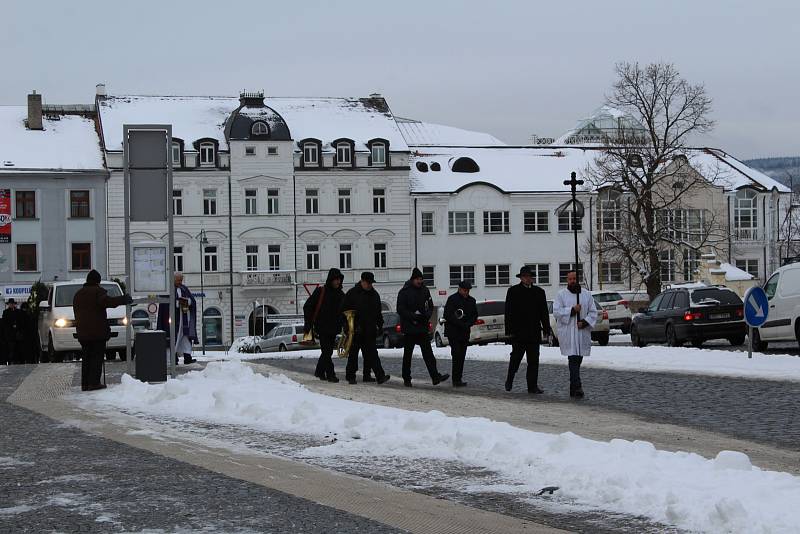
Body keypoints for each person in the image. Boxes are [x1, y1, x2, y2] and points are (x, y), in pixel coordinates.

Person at [73, 270, 132, 391]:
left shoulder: (78, 294)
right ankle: (94, 383)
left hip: (83, 332)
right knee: (96, 357)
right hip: (96, 333)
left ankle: (85, 384)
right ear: (98, 281)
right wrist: (123, 299)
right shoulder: (97, 292)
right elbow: (108, 302)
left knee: (87, 358)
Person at [397, 268, 448, 388]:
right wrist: (413, 316)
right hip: (409, 328)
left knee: (428, 354)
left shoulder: (425, 290)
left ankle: (435, 377)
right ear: (413, 279)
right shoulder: (404, 291)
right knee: (407, 355)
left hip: (421, 327)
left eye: (421, 279)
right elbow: (400, 309)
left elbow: (430, 306)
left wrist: (426, 316)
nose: (420, 281)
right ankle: (406, 378)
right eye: (418, 279)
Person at [504, 266, 551, 393]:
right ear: (521, 278)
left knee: (533, 361)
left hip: (534, 332)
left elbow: (544, 313)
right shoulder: (513, 291)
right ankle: (510, 379)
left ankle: (532, 386)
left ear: (532, 278)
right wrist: (509, 331)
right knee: (515, 359)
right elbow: (508, 312)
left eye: (529, 276)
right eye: (524, 276)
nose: (527, 279)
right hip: (518, 333)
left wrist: (547, 328)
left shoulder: (539, 292)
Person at [552, 270, 597, 398]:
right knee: (573, 359)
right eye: (570, 279)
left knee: (578, 359)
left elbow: (593, 312)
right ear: (567, 280)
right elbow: (557, 312)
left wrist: (584, 322)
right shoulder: (561, 295)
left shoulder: (586, 295)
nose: (572, 281)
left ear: (578, 280)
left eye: (574, 279)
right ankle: (578, 386)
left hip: (581, 333)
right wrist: (572, 310)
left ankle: (573, 387)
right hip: (568, 333)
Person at [342, 272, 390, 385]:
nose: (370, 285)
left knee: (372, 354)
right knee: (353, 354)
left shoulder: (375, 295)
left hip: (369, 330)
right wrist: (348, 327)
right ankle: (350, 376)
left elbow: (378, 313)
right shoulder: (352, 294)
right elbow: (344, 312)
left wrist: (380, 325)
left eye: (371, 283)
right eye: (368, 283)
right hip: (355, 330)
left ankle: (378, 376)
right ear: (362, 281)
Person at [303, 268, 345, 383]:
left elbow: (344, 311)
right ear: (330, 280)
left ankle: (319, 371)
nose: (338, 282)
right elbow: (308, 306)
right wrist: (308, 323)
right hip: (322, 327)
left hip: (334, 328)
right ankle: (331, 374)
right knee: (327, 351)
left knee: (328, 351)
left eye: (339, 280)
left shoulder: (341, 294)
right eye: (336, 280)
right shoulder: (321, 291)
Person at [157, 273, 198, 365]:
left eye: (181, 280)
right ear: (173, 279)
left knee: (185, 339)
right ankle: (173, 358)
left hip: (183, 319)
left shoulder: (184, 288)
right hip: (172, 320)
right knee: (172, 338)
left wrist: (188, 302)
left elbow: (192, 300)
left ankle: (188, 357)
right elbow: (165, 304)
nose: (180, 282)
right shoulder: (167, 289)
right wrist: (177, 303)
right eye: (178, 280)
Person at [442, 280, 478, 387]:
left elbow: (474, 315)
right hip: (453, 332)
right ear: (459, 289)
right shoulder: (452, 299)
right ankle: (455, 379)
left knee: (462, 355)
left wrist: (469, 323)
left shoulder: (472, 301)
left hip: (464, 332)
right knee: (456, 354)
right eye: (464, 290)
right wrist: (461, 324)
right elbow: (448, 315)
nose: (466, 292)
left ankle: (458, 378)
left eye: (467, 291)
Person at [2, 299, 24, 364]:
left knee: (18, 347)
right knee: (11, 347)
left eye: (12, 303)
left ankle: (17, 360)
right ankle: (11, 360)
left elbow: (20, 321)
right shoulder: (5, 312)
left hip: (17, 333)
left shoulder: (18, 311)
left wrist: (17, 327)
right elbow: (4, 322)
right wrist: (11, 326)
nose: (11, 305)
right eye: (10, 304)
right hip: (10, 334)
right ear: (8, 304)